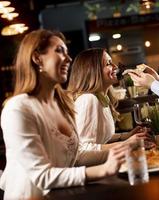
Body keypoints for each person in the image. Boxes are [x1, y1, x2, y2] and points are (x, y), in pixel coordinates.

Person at [0, 30, 127, 199]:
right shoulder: (18, 108)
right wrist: (103, 170)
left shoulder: (63, 104)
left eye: (67, 52)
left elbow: (76, 157)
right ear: (37, 58)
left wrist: (122, 151)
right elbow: (42, 177)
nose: (69, 59)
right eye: (59, 51)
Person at [67, 48, 150, 151]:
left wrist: (127, 136)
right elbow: (82, 148)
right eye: (108, 63)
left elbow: (101, 136)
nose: (115, 67)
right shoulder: (88, 99)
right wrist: (126, 144)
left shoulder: (102, 98)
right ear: (93, 70)